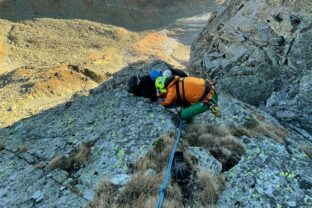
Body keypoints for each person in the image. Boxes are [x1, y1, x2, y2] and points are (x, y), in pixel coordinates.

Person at [155, 75, 221, 120]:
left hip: (209, 98)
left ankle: (212, 106)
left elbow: (167, 102)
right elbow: (171, 92)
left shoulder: (172, 91)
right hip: (209, 87)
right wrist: (162, 95)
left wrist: (160, 103)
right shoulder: (176, 80)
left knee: (183, 114)